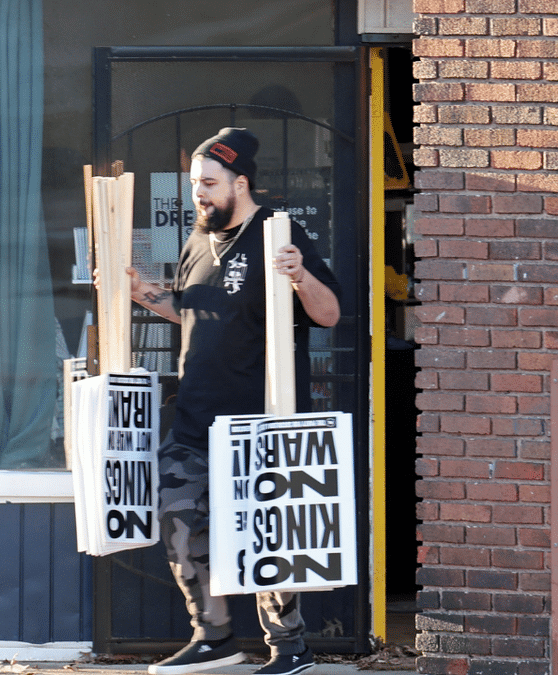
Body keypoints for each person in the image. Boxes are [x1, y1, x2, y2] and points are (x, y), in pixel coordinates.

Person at [116, 128, 341, 675]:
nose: (200, 194)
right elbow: (196, 312)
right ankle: (213, 635)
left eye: (209, 184)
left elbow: (330, 313)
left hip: (260, 420)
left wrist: (299, 275)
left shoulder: (278, 233)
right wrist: (143, 293)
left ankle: (289, 646)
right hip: (195, 419)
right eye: (195, 184)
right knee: (176, 515)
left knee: (264, 532)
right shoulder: (197, 240)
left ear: (240, 183)